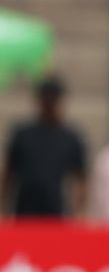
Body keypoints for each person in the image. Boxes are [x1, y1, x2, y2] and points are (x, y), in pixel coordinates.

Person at [1, 76, 87, 218]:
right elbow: (8, 174)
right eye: (46, 98)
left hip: (56, 213)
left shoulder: (70, 138)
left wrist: (78, 212)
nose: (49, 104)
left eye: (53, 99)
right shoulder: (22, 134)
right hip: (24, 213)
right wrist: (4, 208)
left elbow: (81, 179)